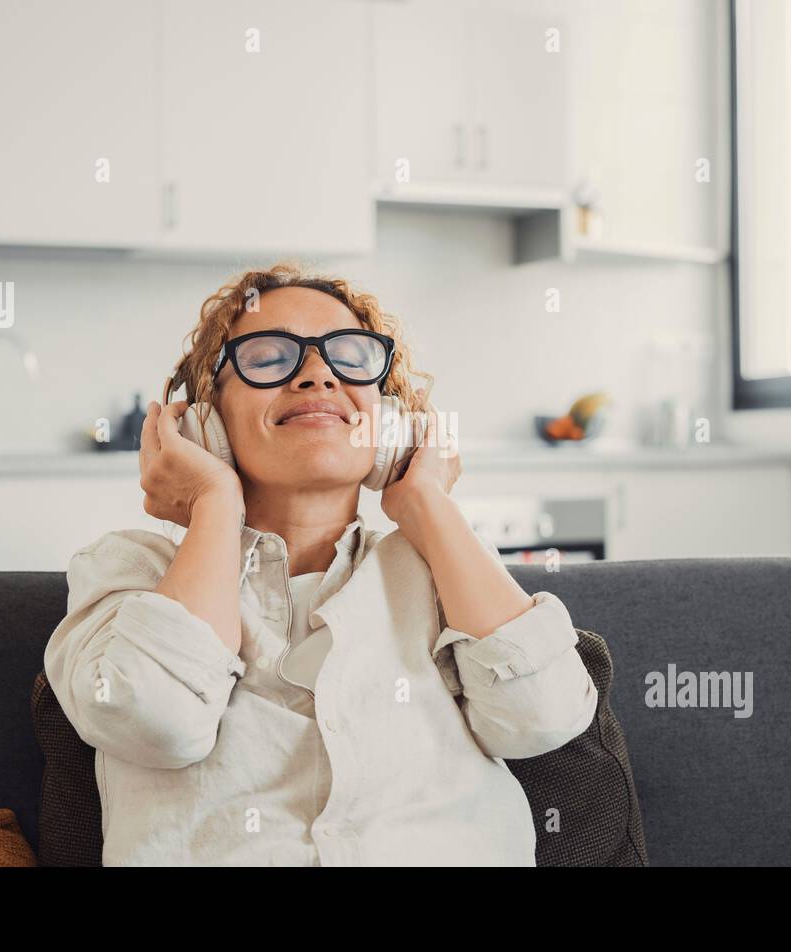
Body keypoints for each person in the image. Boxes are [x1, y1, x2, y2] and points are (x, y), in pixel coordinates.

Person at [44, 261, 598, 865]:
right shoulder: (129, 571)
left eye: (350, 356)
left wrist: (426, 503)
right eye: (268, 356)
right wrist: (214, 503)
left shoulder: (439, 567)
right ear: (207, 421)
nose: (317, 375)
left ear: (388, 422)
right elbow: (155, 722)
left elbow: (543, 718)